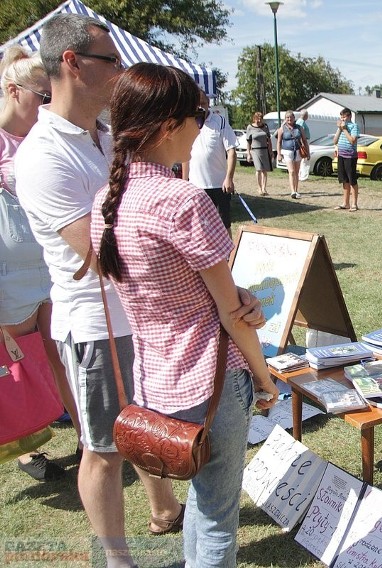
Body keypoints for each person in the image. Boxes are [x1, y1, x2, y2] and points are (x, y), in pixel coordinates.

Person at [14, 14, 264, 566]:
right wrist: (218, 290)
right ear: (73, 64)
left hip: (154, 325)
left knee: (162, 442)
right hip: (103, 325)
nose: (121, 72)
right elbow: (111, 256)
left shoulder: (107, 137)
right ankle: (118, 560)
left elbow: (138, 236)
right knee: (105, 449)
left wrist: (214, 279)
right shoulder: (43, 154)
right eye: (111, 61)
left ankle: (161, 509)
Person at [91, 62, 278, 568]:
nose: (203, 126)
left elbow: (186, 290)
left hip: (156, 384)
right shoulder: (183, 202)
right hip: (214, 383)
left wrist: (238, 295)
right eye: (198, 115)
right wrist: (264, 379)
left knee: (202, 496)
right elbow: (231, 314)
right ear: (168, 125)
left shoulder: (106, 201)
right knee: (218, 513)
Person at [0, 46, 81, 481]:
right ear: (13, 91)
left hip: (49, 265)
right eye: (41, 95)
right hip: (9, 276)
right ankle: (24, 447)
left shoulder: (41, 138)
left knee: (60, 355)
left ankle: (88, 434)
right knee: (15, 365)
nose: (48, 103)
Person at [182, 91, 237, 235]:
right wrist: (183, 182)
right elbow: (185, 155)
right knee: (199, 228)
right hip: (196, 187)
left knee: (223, 227)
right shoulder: (188, 123)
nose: (200, 107)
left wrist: (229, 178)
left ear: (209, 103)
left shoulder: (220, 121)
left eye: (203, 103)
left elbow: (231, 151)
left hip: (219, 185)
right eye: (197, 104)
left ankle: (228, 257)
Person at [275, 110, 308, 199]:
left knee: (296, 172)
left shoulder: (299, 128)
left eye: (291, 117)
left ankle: (296, 190)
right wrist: (279, 153)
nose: (289, 119)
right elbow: (278, 142)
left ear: (294, 118)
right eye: (287, 117)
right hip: (287, 151)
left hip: (297, 151)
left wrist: (307, 152)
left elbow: (304, 140)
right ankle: (292, 191)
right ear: (285, 119)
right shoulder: (282, 129)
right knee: (291, 171)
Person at [333, 107, 359, 211]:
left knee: (352, 180)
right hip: (341, 155)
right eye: (341, 117)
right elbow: (334, 141)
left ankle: (354, 204)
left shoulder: (354, 126)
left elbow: (352, 140)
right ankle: (345, 203)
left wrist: (344, 129)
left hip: (351, 156)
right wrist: (340, 129)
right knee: (344, 180)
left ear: (349, 116)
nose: (343, 119)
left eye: (345, 116)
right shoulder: (340, 127)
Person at [245, 111, 273, 196]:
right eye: (257, 119)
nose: (259, 120)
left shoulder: (265, 127)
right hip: (255, 150)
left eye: (260, 119)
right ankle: (259, 188)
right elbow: (248, 142)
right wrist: (248, 153)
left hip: (264, 150)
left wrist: (271, 151)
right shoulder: (250, 127)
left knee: (264, 170)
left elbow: (269, 140)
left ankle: (264, 188)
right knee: (258, 169)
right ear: (254, 119)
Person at [296, 110, 311, 182]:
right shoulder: (301, 122)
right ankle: (303, 176)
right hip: (303, 142)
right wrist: (303, 145)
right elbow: (301, 134)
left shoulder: (300, 121)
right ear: (305, 115)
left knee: (303, 159)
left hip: (303, 141)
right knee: (305, 159)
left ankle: (301, 175)